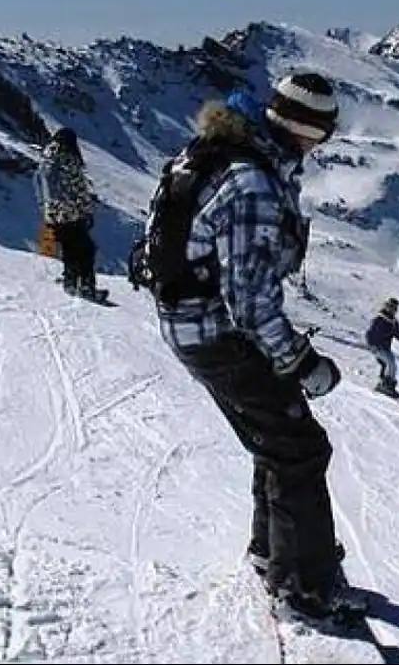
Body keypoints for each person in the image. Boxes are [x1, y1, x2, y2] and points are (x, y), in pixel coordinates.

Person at [147, 72, 362, 623]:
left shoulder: (211, 154)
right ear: (307, 131)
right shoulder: (252, 184)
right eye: (324, 134)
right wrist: (301, 361)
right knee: (300, 448)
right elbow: (250, 301)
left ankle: (274, 554)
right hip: (218, 334)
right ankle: (304, 588)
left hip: (191, 325)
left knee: (278, 438)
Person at [35, 127, 104, 301]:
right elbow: (77, 189)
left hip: (53, 214)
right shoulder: (67, 158)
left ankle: (71, 282)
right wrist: (87, 212)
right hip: (71, 213)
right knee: (86, 249)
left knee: (69, 248)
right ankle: (86, 286)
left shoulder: (46, 158)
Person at [366, 297, 399, 398]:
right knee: (390, 363)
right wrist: (371, 345)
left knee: (388, 364)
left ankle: (385, 385)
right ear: (386, 306)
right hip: (377, 346)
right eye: (391, 307)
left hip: (385, 347)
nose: (393, 310)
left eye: (395, 308)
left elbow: (397, 333)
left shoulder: (393, 321)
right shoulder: (379, 319)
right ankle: (386, 386)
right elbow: (369, 333)